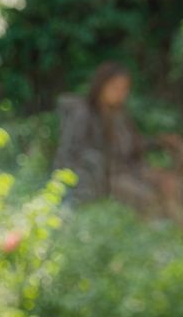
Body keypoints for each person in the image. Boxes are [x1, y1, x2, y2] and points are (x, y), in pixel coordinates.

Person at [54, 62, 154, 210]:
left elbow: (133, 147)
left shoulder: (120, 115)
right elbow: (69, 154)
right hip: (95, 181)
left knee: (166, 184)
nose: (120, 93)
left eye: (124, 88)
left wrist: (159, 143)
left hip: (125, 172)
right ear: (101, 86)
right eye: (114, 87)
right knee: (146, 198)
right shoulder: (84, 113)